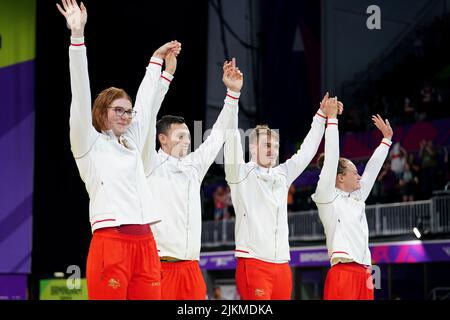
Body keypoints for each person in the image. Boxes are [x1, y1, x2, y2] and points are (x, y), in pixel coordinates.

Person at [57, 0, 181, 299]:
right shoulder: (88, 143)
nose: (126, 116)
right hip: (110, 242)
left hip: (146, 243)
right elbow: (80, 89)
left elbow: (148, 104)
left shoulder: (132, 141)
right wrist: (77, 37)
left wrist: (158, 65)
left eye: (128, 111)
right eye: (119, 110)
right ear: (101, 112)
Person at [224, 93, 343, 300]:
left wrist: (321, 115)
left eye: (276, 146)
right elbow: (232, 139)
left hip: (282, 265)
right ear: (252, 148)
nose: (273, 151)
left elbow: (307, 152)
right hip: (253, 263)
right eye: (267, 146)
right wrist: (233, 96)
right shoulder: (240, 174)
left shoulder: (282, 174)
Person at [142, 58, 243, 299]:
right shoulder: (149, 164)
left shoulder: (193, 167)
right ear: (162, 139)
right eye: (180, 136)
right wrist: (165, 76)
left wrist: (232, 93)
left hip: (191, 269)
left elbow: (217, 136)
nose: (187, 141)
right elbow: (145, 118)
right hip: (159, 268)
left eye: (188, 136)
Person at [312, 106, 393, 300]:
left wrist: (386, 140)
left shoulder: (357, 197)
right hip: (343, 273)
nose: (359, 177)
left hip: (366, 273)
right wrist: (332, 121)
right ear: (339, 177)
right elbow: (331, 159)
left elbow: (373, 169)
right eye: (354, 172)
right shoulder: (327, 198)